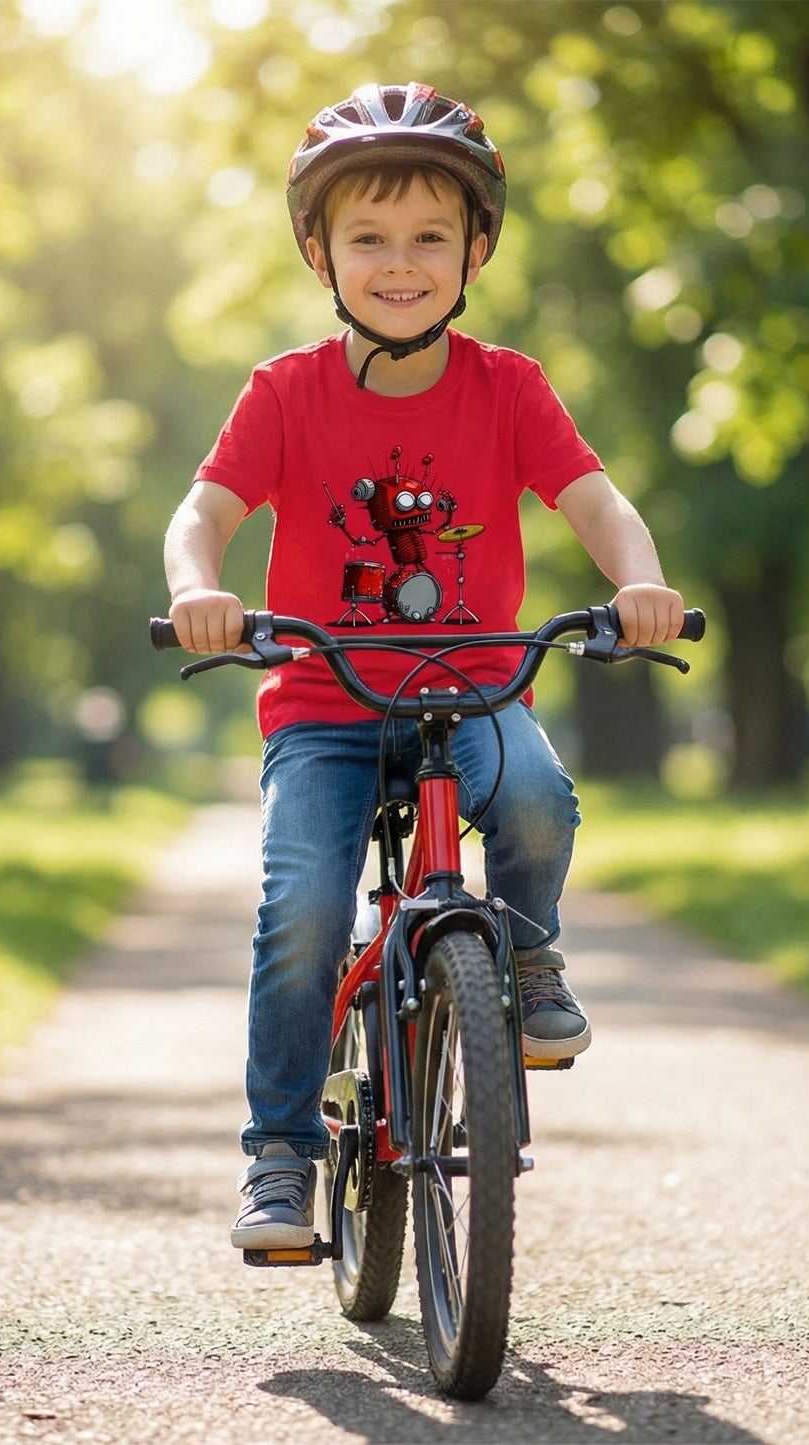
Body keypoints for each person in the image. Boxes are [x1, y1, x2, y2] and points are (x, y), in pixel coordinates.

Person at [163, 83, 685, 1250]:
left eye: (429, 238)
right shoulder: (284, 392)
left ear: (474, 250)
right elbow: (200, 512)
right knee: (300, 906)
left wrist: (639, 579)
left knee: (540, 797)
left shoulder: (508, 387)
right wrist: (197, 588)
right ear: (319, 252)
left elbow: (597, 504)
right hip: (325, 703)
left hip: (474, 692)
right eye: (368, 238)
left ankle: (530, 950)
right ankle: (283, 1154)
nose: (399, 263)